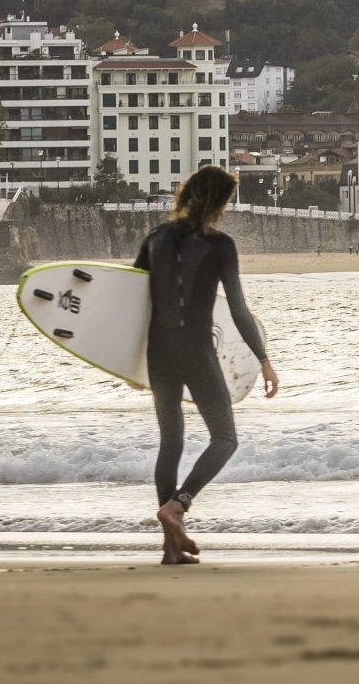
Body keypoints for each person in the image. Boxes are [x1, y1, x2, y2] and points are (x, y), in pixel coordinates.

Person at [132, 164, 279, 565]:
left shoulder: (156, 238)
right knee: (225, 438)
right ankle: (179, 504)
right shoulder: (220, 246)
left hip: (158, 353)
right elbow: (238, 309)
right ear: (219, 202)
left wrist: (128, 363)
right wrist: (264, 359)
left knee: (171, 443)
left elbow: (131, 301)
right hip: (196, 351)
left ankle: (169, 549)